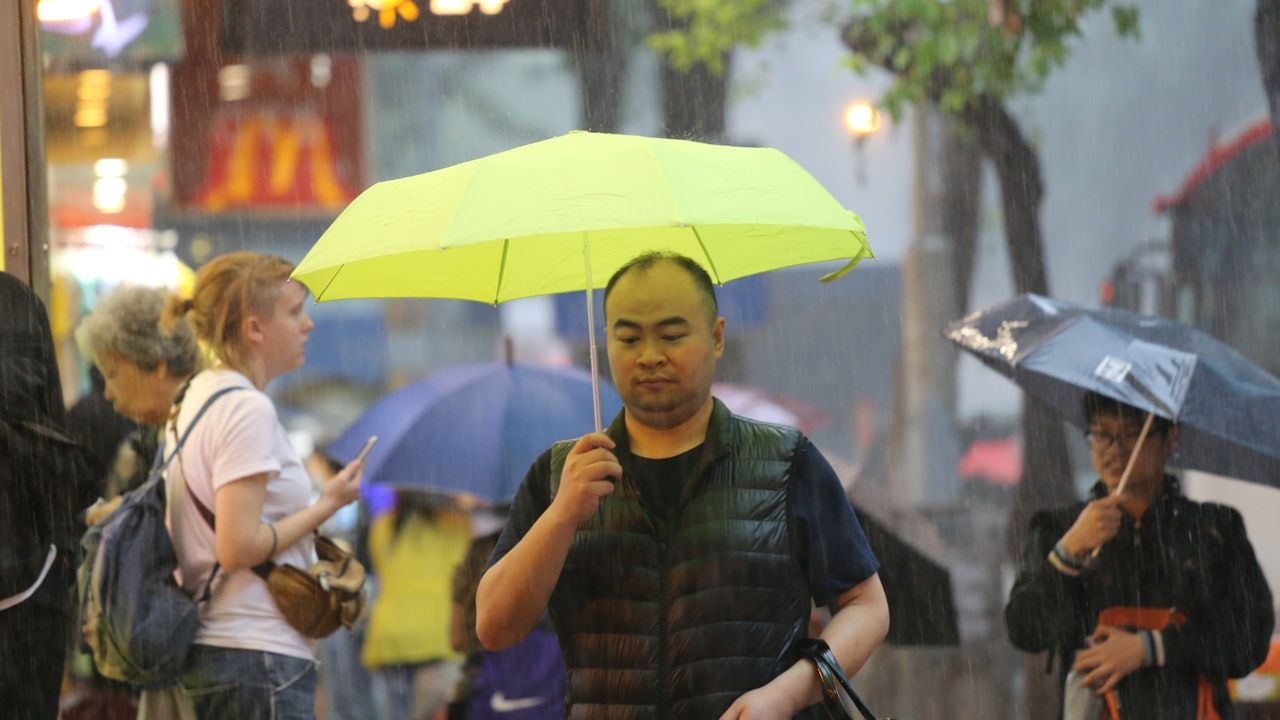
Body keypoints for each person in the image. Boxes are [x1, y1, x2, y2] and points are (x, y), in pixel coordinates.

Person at [477, 252, 889, 719]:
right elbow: (495, 627)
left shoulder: (785, 462)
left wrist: (789, 693)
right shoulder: (562, 474)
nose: (650, 355)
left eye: (671, 335)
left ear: (716, 338)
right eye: (628, 337)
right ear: (604, 343)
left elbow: (867, 605)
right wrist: (562, 515)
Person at [160, 252, 364, 719]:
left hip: (222, 651)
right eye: (294, 313)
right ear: (254, 329)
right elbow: (236, 547)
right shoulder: (246, 409)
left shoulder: (196, 395)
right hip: (255, 658)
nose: (308, 326)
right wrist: (327, 504)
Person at [1005, 391, 1274, 719]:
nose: (1115, 450)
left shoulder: (1214, 530)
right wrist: (1069, 551)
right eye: (1102, 434)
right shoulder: (1058, 528)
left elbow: (1249, 640)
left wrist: (1149, 648)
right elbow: (1025, 629)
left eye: (1132, 433)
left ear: (1170, 438)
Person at [76, 284, 209, 719]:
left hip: (207, 649)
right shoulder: (171, 430)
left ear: (155, 363)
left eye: (113, 373)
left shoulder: (202, 423)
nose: (109, 394)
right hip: (187, 651)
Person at [0, 271, 93, 719]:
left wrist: (63, 552)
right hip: (31, 580)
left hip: (31, 579)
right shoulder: (16, 301)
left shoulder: (17, 303)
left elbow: (53, 432)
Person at [361, 490, 469, 720]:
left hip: (389, 642)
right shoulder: (458, 523)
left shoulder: (382, 526)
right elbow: (465, 580)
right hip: (440, 640)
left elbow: (381, 571)